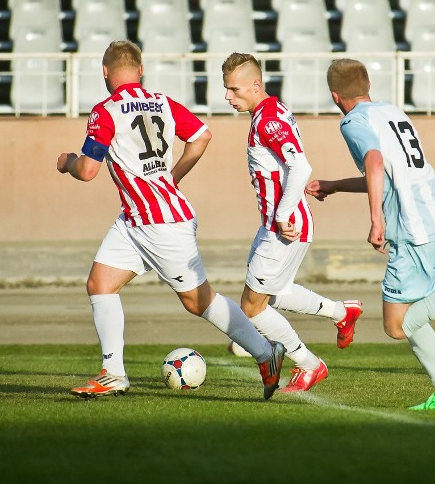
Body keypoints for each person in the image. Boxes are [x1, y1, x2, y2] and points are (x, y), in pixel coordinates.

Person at [56, 41, 285, 400]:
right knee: (100, 284)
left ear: (105, 72)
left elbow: (86, 171)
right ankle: (112, 373)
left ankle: (265, 352)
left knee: (198, 301)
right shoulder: (162, 102)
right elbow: (201, 136)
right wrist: (172, 176)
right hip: (136, 220)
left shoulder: (106, 110)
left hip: (160, 224)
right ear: (141, 70)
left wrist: (67, 161)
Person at [306, 59, 435, 410]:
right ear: (367, 85)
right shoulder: (391, 113)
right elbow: (389, 173)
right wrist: (335, 186)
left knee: (396, 325)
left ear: (334, 95)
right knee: (414, 320)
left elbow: (375, 162)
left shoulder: (353, 122)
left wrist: (377, 220)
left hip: (411, 228)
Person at [221, 52, 363, 393]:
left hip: (283, 225)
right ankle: (341, 312)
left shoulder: (267, 119)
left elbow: (300, 167)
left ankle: (309, 364)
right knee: (276, 294)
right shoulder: (272, 110)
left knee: (252, 307)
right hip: (284, 222)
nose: (228, 97)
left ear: (255, 85)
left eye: (234, 89)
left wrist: (282, 215)